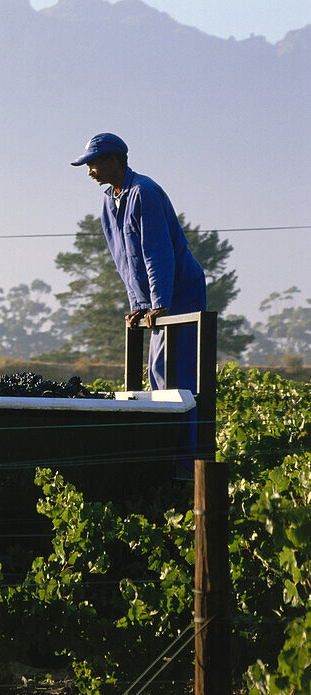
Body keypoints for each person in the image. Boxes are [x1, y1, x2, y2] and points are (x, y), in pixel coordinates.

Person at [71, 133, 207, 467]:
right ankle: (165, 455)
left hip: (181, 290)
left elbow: (157, 251)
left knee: (178, 375)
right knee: (156, 375)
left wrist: (158, 301)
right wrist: (139, 303)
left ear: (114, 161)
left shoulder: (144, 192)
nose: (90, 171)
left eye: (94, 163)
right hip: (158, 296)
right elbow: (124, 258)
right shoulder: (110, 201)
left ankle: (186, 462)